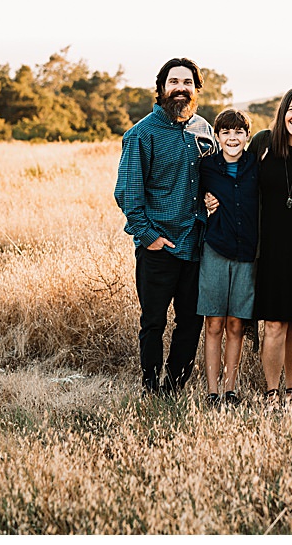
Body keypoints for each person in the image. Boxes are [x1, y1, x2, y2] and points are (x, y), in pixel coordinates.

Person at [114, 57, 216, 396]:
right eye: (174, 81)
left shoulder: (204, 129)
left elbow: (213, 178)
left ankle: (172, 388)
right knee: (153, 323)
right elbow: (127, 192)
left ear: (196, 90)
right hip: (159, 247)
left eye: (188, 82)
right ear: (161, 88)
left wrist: (213, 199)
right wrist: (148, 236)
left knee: (190, 322)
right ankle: (150, 387)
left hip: (196, 246)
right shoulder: (142, 134)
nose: (181, 88)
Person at [236, 86, 292, 408]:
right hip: (269, 250)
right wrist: (211, 196)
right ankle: (271, 392)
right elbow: (234, 174)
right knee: (273, 324)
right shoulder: (263, 144)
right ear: (283, 111)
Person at [197, 108, 259, 407]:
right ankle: (212, 392)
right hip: (216, 250)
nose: (232, 137)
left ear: (247, 136)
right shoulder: (205, 167)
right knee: (214, 323)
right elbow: (191, 200)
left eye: (238, 132)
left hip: (247, 252)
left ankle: (230, 390)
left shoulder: (256, 167)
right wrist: (205, 204)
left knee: (236, 325)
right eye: (226, 132)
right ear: (217, 136)